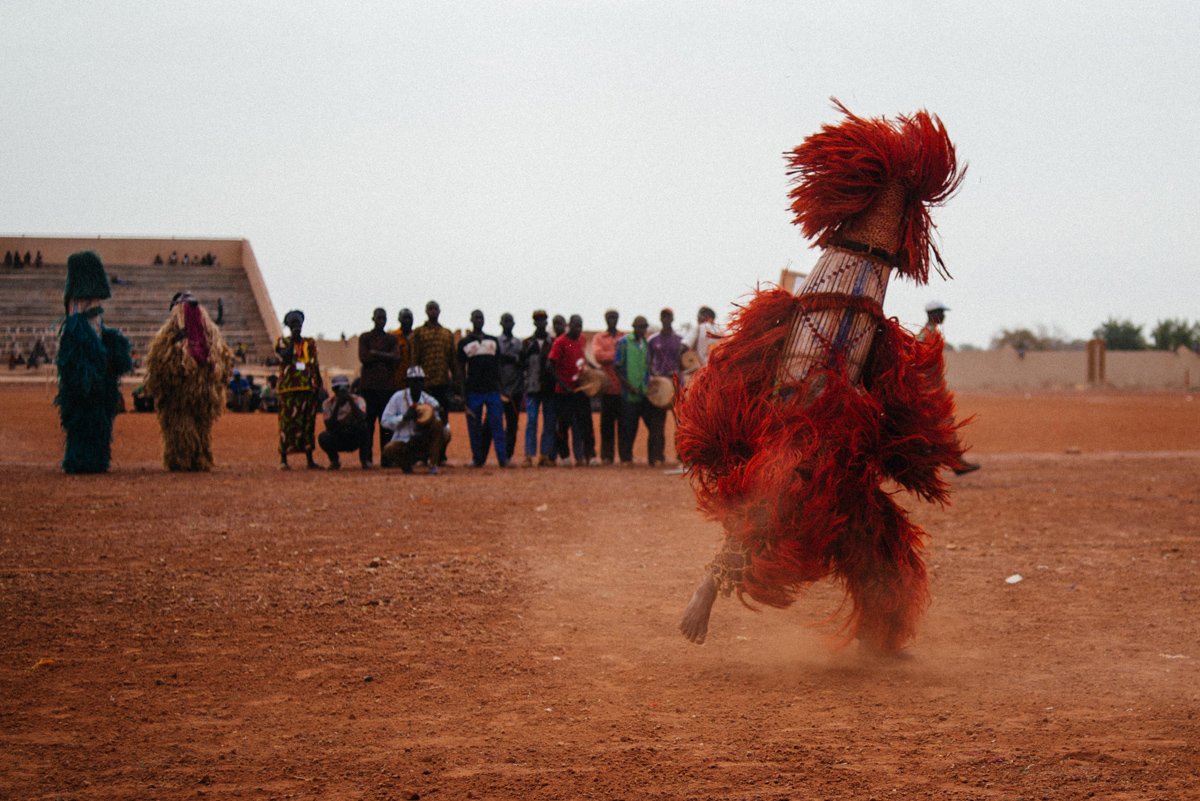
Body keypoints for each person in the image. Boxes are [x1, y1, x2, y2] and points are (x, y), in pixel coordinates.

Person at [675, 101, 968, 654]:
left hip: (844, 435)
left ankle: (882, 639)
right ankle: (704, 592)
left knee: (882, 549)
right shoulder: (801, 319)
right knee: (770, 503)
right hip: (799, 427)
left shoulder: (868, 310)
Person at [54, 251, 134, 473]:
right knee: (85, 419)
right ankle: (82, 459)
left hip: (97, 369)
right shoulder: (78, 304)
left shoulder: (81, 302)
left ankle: (93, 458)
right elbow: (80, 335)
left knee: (95, 420)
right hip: (89, 371)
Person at [143, 292, 234, 471]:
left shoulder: (170, 336)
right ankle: (198, 457)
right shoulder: (210, 335)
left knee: (182, 424)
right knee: (198, 425)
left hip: (183, 392)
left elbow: (158, 364)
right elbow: (224, 362)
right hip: (201, 390)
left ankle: (183, 458)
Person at [919, 301, 981, 475]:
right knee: (943, 423)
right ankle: (954, 463)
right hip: (929, 389)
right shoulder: (926, 336)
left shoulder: (929, 334)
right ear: (934, 314)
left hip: (933, 387)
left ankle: (944, 461)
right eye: (941, 313)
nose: (944, 316)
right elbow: (919, 359)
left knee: (937, 424)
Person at [457, 310, 508, 467]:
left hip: (492, 389)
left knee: (497, 424)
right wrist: (462, 393)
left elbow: (498, 366)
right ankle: (477, 459)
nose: (479, 320)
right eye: (476, 318)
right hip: (473, 390)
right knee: (474, 427)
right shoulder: (464, 343)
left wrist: (502, 388)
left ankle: (502, 459)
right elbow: (460, 369)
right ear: (471, 320)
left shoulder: (492, 341)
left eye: (481, 318)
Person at [274, 309, 322, 469]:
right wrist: (293, 340)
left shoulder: (309, 343)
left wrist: (318, 384)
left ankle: (309, 459)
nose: (297, 326)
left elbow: (315, 365)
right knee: (287, 423)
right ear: (288, 325)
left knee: (307, 423)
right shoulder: (282, 342)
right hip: (288, 390)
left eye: (299, 323)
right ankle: (283, 459)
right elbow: (285, 358)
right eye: (293, 324)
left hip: (307, 388)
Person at [381, 366, 447, 474]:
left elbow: (439, 423)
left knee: (441, 429)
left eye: (421, 381)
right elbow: (384, 421)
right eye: (414, 381)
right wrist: (403, 418)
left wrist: (435, 416)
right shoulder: (397, 397)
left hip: (423, 440)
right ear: (408, 383)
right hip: (405, 442)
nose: (418, 384)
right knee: (389, 449)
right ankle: (406, 466)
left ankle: (433, 463)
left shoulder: (428, 399)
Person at [358, 307, 401, 468]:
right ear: (373, 319)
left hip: (386, 388)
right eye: (379, 318)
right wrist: (385, 356)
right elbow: (364, 358)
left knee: (386, 425)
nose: (381, 321)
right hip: (368, 388)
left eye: (384, 318)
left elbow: (396, 357)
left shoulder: (391, 339)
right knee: (367, 425)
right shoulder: (365, 337)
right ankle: (366, 458)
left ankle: (387, 457)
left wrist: (375, 353)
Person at [548, 314, 590, 466]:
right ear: (569, 325)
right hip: (563, 392)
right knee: (563, 425)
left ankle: (585, 456)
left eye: (580, 326)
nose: (578, 329)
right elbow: (550, 366)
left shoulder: (582, 340)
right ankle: (564, 456)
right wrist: (563, 385)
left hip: (580, 390)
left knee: (583, 424)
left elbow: (584, 361)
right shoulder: (560, 342)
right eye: (575, 326)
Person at [645, 307, 682, 466]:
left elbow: (685, 362)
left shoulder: (680, 340)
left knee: (681, 424)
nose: (666, 319)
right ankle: (656, 456)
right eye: (663, 317)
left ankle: (683, 456)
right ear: (661, 319)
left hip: (676, 386)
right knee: (656, 425)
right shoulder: (652, 340)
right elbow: (647, 362)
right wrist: (653, 376)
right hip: (659, 386)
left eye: (669, 317)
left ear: (673, 318)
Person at [615, 315, 653, 465]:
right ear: (634, 327)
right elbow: (617, 366)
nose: (642, 330)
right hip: (628, 394)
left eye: (644, 327)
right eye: (639, 327)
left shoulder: (645, 343)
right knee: (627, 426)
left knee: (645, 424)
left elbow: (646, 366)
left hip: (643, 392)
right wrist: (628, 386)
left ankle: (654, 457)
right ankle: (625, 457)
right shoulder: (624, 342)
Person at [521, 310, 557, 466]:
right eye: (538, 320)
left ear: (546, 322)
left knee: (549, 422)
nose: (540, 322)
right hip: (532, 388)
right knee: (532, 421)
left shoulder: (554, 342)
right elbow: (522, 364)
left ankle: (545, 455)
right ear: (534, 322)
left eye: (543, 320)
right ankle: (528, 455)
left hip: (550, 389)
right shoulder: (527, 343)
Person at [411, 300, 458, 413]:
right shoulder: (419, 332)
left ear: (439, 311)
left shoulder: (447, 333)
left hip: (443, 382)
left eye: (435, 309)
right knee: (425, 416)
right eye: (430, 309)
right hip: (425, 384)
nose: (433, 311)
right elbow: (415, 358)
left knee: (442, 415)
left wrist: (456, 385)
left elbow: (453, 361)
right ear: (426, 311)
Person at [590, 309, 623, 464]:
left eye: (614, 317)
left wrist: (610, 356)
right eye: (609, 317)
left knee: (624, 424)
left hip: (623, 388)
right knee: (606, 425)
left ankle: (625, 456)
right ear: (605, 319)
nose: (612, 320)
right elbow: (598, 356)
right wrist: (617, 356)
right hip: (607, 388)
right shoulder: (598, 337)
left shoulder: (624, 336)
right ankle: (607, 456)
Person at [318, 375, 368, 470]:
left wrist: (350, 400)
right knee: (323, 437)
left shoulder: (358, 400)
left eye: (344, 388)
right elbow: (329, 426)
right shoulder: (327, 403)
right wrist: (337, 404)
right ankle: (334, 461)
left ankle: (364, 461)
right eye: (337, 389)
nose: (341, 391)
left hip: (353, 436)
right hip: (338, 435)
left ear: (349, 388)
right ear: (333, 389)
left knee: (364, 428)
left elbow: (362, 418)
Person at [496, 312, 525, 461]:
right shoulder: (496, 343)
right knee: (492, 423)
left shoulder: (519, 343)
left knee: (512, 425)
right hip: (500, 389)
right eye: (505, 321)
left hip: (515, 390)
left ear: (514, 324)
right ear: (500, 323)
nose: (508, 323)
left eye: (510, 321)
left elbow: (523, 364)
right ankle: (481, 456)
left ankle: (508, 454)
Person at [681, 306, 721, 387]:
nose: (697, 319)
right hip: (718, 373)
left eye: (698, 317)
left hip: (701, 373)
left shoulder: (699, 327)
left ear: (703, 317)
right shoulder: (720, 330)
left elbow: (684, 346)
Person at [390, 307, 416, 389]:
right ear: (399, 319)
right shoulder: (393, 336)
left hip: (414, 379)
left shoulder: (416, 336)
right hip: (397, 379)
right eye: (405, 318)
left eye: (410, 318)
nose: (407, 321)